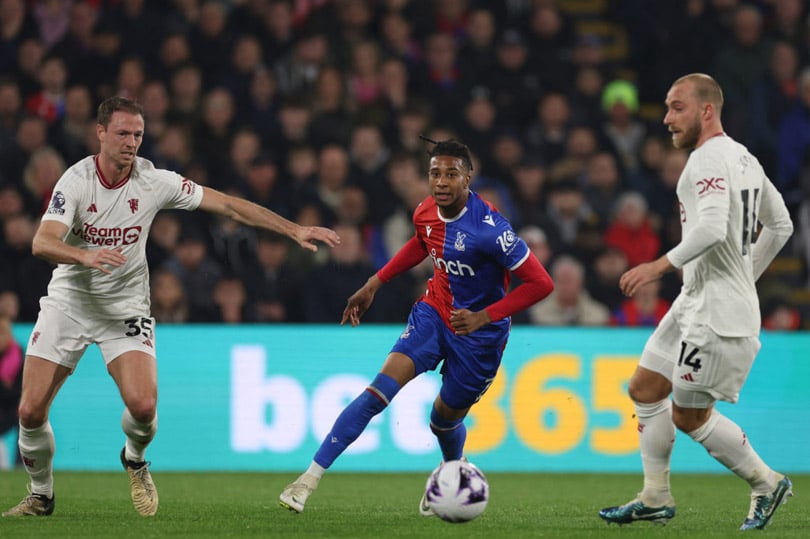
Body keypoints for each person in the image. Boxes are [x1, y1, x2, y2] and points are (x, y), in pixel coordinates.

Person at [1, 96, 340, 518]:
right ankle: (41, 494)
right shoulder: (76, 181)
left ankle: (134, 458)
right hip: (69, 303)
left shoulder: (154, 180)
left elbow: (230, 205)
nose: (131, 142)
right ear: (101, 133)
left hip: (125, 307)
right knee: (30, 410)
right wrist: (86, 256)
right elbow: (41, 241)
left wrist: (293, 230)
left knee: (143, 409)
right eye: (123, 133)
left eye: (138, 135)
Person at [278, 139, 554, 514]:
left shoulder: (491, 230)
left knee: (442, 419)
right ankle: (306, 480)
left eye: (451, 175)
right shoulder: (425, 211)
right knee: (379, 391)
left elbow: (541, 283)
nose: (441, 182)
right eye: (435, 173)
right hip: (434, 313)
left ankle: (449, 472)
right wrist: (375, 282)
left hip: (480, 336)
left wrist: (483, 316)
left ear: (468, 179)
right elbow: (421, 244)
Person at [598, 74, 794, 531]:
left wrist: (656, 266)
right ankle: (654, 496)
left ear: (707, 110)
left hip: (717, 314)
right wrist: (745, 274)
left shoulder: (706, 160)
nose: (666, 118)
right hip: (696, 300)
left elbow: (709, 228)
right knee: (645, 388)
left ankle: (766, 483)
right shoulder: (743, 157)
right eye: (666, 107)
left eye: (676, 107)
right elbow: (781, 224)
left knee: (688, 415)